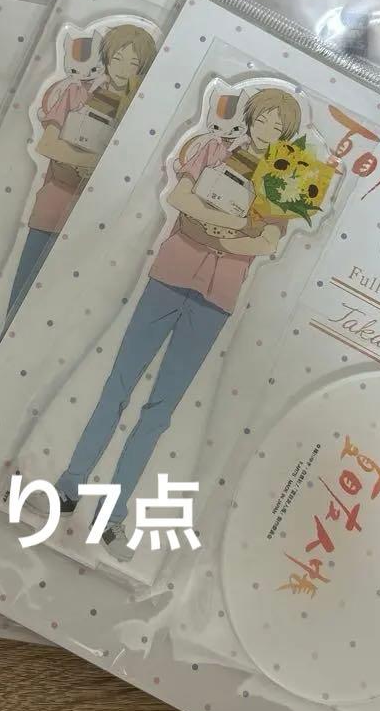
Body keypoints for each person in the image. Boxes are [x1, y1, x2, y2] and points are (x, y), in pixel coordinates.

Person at [53, 87, 303, 560]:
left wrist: (227, 233)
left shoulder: (281, 182)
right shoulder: (211, 147)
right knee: (118, 386)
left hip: (217, 298)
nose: (269, 129)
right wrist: (226, 224)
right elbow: (180, 195)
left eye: (279, 126)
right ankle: (70, 484)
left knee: (160, 411)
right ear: (251, 116)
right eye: (265, 118)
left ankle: (112, 515)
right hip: (171, 273)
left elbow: (269, 241)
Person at [7, 23, 157, 315]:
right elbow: (48, 144)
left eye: (133, 63)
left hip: (93, 222)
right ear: (106, 56)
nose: (122, 68)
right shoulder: (77, 91)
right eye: (117, 58)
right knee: (21, 293)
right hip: (54, 203)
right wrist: (90, 163)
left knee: (59, 303)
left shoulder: (140, 113)